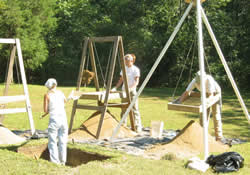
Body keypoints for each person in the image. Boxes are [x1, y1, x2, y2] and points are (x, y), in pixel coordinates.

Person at [175, 71, 224, 141]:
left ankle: (219, 138)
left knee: (216, 115)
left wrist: (204, 103)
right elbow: (187, 93)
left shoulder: (209, 80)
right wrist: (179, 102)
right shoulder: (194, 81)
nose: (199, 84)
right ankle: (203, 137)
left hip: (215, 94)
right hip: (204, 94)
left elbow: (211, 96)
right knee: (203, 117)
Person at [41, 78, 69, 165]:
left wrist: (50, 109)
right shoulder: (60, 93)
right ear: (55, 85)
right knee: (63, 141)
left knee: (52, 141)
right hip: (63, 119)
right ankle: (62, 161)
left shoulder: (47, 95)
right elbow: (65, 101)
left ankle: (54, 162)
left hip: (54, 120)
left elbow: (45, 110)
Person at [112, 54, 142, 133]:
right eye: (125, 61)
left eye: (127, 61)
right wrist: (115, 88)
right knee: (123, 109)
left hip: (132, 92)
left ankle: (137, 126)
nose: (125, 62)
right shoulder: (124, 69)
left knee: (135, 109)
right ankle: (123, 125)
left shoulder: (135, 69)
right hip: (124, 91)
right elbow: (121, 80)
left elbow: (136, 81)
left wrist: (130, 88)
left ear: (131, 61)